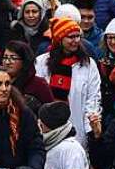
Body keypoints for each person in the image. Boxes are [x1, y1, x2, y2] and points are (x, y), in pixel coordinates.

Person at [34, 17, 101, 147]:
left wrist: (90, 128)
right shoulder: (42, 63)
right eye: (71, 37)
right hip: (48, 129)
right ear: (60, 39)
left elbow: (93, 97)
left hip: (78, 128)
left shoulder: (88, 64)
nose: (76, 41)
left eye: (78, 36)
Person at [0, 41, 53, 114]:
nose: (7, 62)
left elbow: (50, 112)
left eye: (13, 58)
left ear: (24, 61)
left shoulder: (39, 84)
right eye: (5, 57)